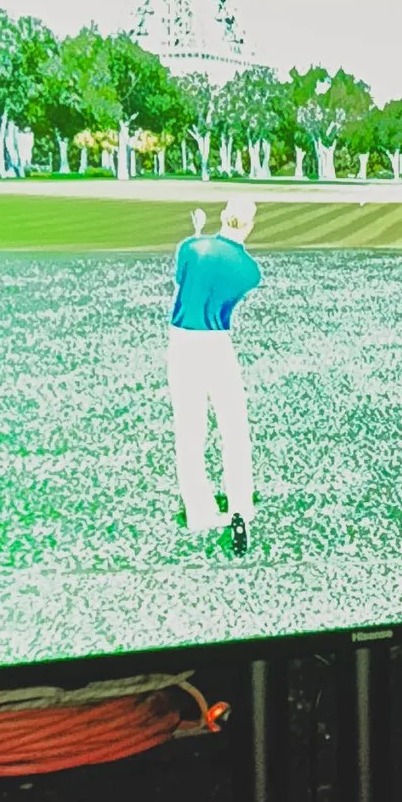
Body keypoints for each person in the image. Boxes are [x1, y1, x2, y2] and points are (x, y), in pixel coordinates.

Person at [168, 191, 262, 555]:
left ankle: (200, 512)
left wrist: (197, 235)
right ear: (250, 225)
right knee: (234, 429)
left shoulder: (190, 247)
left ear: (224, 215)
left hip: (180, 342)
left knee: (190, 431)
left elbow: (183, 280)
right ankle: (241, 505)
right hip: (216, 343)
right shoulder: (250, 271)